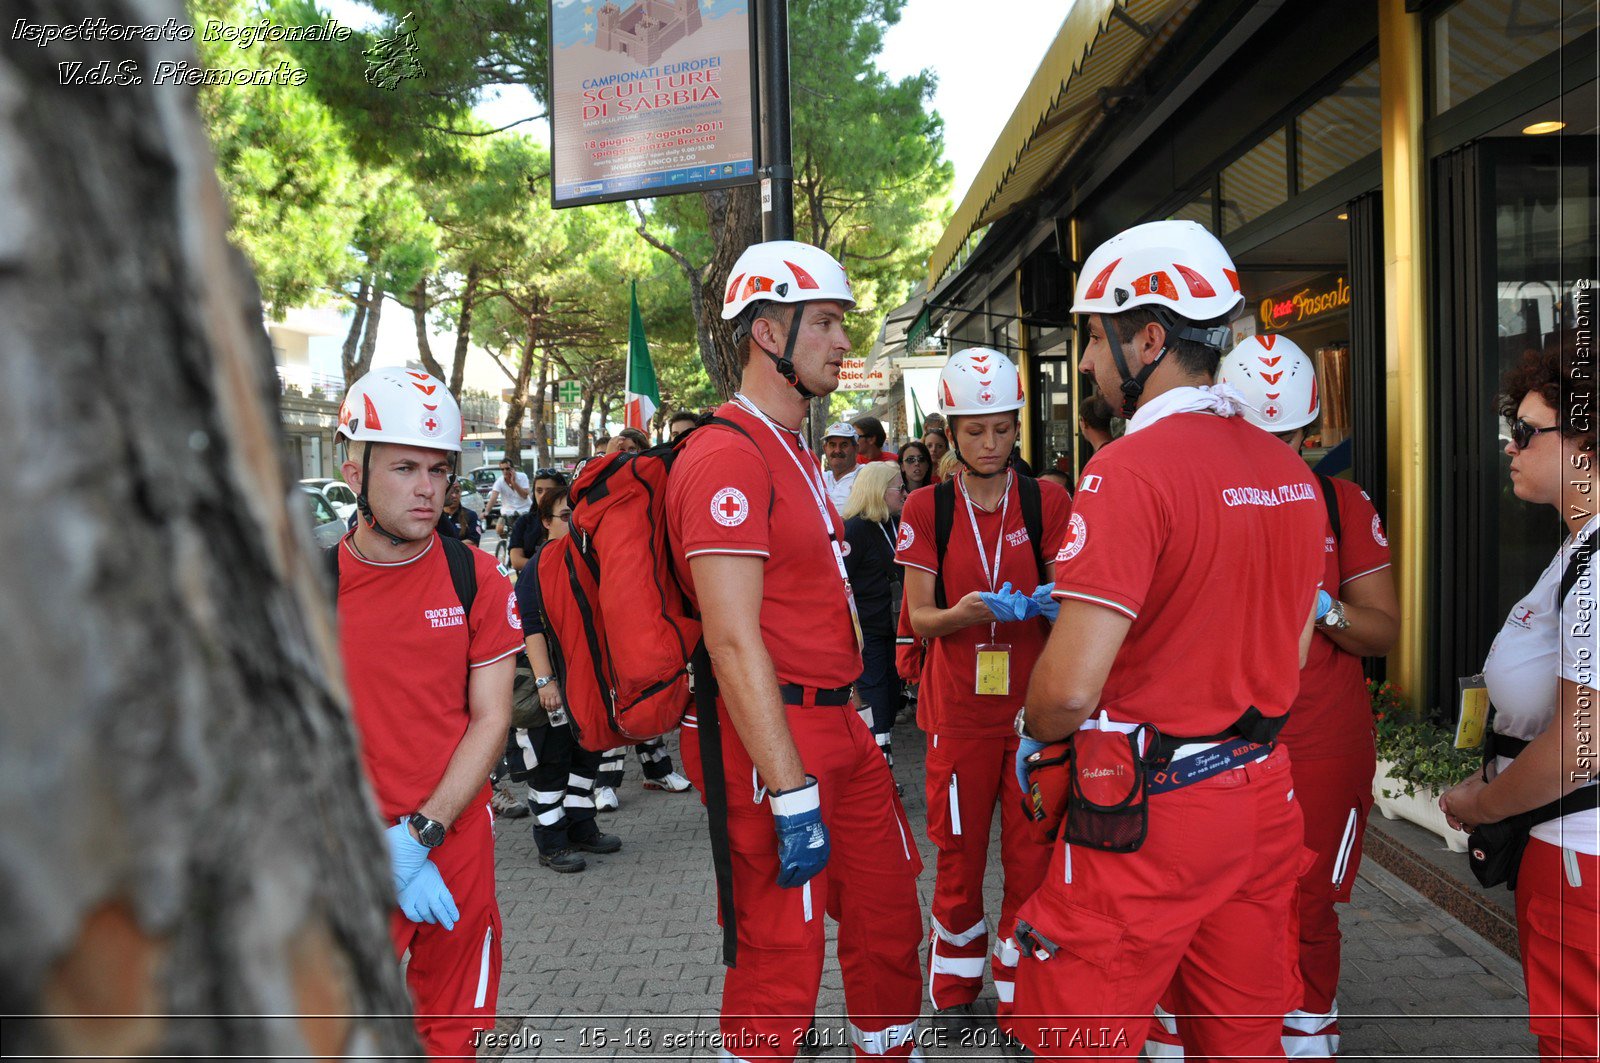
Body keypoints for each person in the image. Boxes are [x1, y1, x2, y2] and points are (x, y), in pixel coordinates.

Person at [1010, 220, 1325, 1060]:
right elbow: (1292, 655)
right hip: (1262, 795)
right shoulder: (1292, 474)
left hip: (1153, 811)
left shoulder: (1126, 470)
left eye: (1091, 338)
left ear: (1148, 337)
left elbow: (1071, 687)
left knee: (1075, 1031)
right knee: (1242, 1038)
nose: (1083, 362)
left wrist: (1029, 731)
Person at [666, 239, 924, 1061]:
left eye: (842, 324)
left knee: (888, 919)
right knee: (781, 963)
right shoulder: (725, 455)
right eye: (825, 323)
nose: (844, 343)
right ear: (766, 332)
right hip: (774, 738)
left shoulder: (794, 448)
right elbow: (733, 640)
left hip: (840, 724)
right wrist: (788, 790)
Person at [1217, 334, 1399, 1058]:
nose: (1277, 452)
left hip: (1322, 739)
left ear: (1312, 428)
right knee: (1221, 903)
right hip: (1218, 736)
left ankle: (1308, 1028)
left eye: (1290, 437)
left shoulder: (1342, 502)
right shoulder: (1194, 494)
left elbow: (1382, 630)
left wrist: (1321, 606)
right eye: (1262, 436)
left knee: (1311, 902)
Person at [331, 367, 521, 1057]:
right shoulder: (309, 587)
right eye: (406, 466)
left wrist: (420, 835)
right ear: (354, 470)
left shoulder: (478, 575)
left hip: (453, 835)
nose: (427, 488)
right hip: (347, 849)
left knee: (451, 1036)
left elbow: (492, 718)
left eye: (439, 470)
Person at [896, 346, 1071, 1036]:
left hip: (1036, 717)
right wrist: (965, 612)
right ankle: (954, 984)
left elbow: (1076, 594)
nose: (991, 443)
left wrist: (1056, 603)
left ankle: (1021, 991)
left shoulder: (1047, 496)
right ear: (952, 429)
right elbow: (917, 618)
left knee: (1032, 858)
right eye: (975, 431)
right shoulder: (926, 504)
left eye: (1002, 428)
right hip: (960, 716)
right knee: (959, 855)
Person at [1440, 340, 1599, 1062]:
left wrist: (1482, 803)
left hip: (1581, 857)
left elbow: (1580, 746)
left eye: (1527, 432)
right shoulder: (1578, 550)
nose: (1511, 445)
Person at [507, 489, 622, 873]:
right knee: (551, 766)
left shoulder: (588, 559)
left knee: (586, 757)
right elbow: (531, 628)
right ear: (545, 522)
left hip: (587, 685)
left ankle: (580, 826)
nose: (572, 522)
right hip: (556, 685)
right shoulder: (538, 569)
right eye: (564, 515)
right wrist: (545, 683)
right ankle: (551, 842)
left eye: (577, 515)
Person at [842, 462, 907, 772]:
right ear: (880, 492)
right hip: (868, 633)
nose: (905, 494)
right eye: (899, 488)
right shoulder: (854, 529)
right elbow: (839, 584)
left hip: (894, 629)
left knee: (890, 698)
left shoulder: (897, 523)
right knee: (876, 700)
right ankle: (879, 771)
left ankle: (880, 764)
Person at [506, 469, 568, 572]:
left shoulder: (571, 520)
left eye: (549, 490)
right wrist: (547, 566)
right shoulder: (524, 522)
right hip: (532, 583)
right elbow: (516, 561)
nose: (543, 495)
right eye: (539, 491)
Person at [487, 458, 533, 538]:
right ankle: (506, 544)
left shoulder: (522, 477)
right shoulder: (499, 481)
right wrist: (486, 512)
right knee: (499, 529)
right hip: (508, 511)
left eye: (507, 468)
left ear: (513, 469)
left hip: (524, 509)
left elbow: (525, 495)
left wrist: (513, 483)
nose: (505, 471)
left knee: (524, 530)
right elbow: (493, 497)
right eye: (502, 469)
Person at [821, 421, 860, 509]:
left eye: (844, 445)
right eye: (832, 445)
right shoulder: (820, 479)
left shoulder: (865, 476)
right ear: (825, 448)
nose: (837, 450)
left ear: (856, 448)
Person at [439, 479, 482, 546]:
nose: (454, 496)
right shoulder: (436, 516)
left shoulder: (470, 515)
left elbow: (473, 541)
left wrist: (451, 547)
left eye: (457, 491)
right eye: (450, 492)